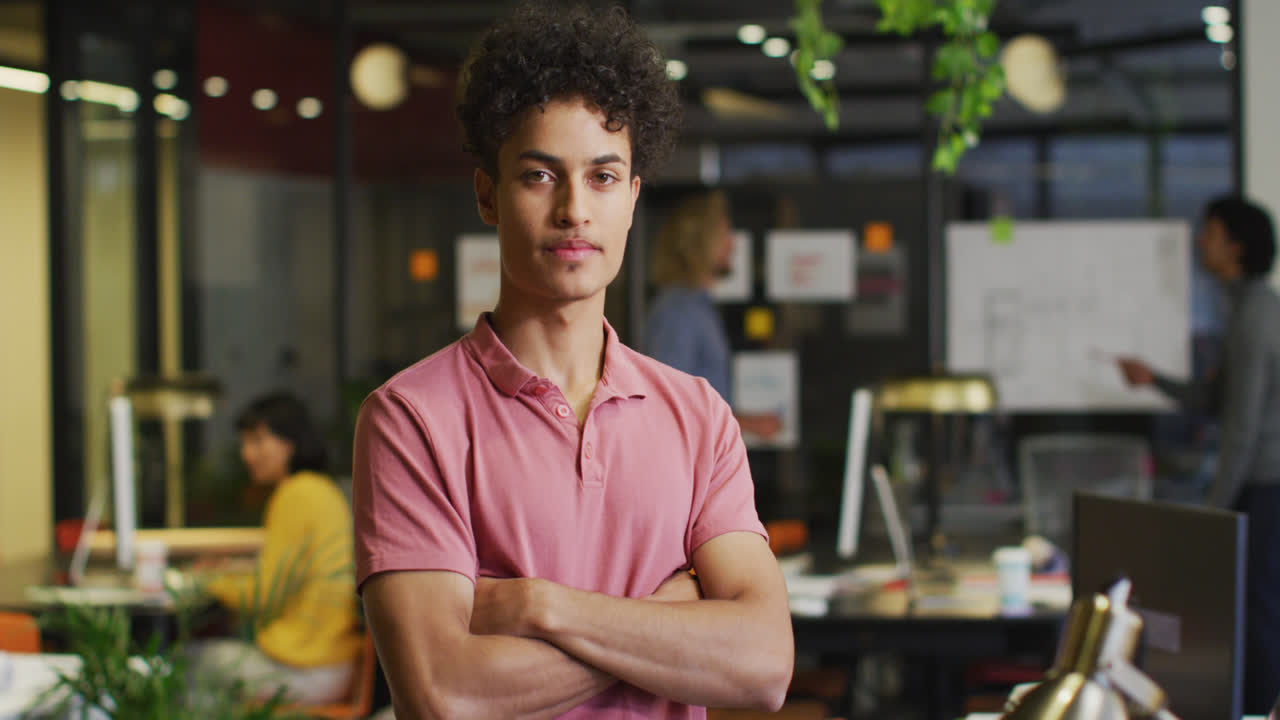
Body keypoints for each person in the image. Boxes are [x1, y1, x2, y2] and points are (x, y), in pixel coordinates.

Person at [351, 3, 794, 719]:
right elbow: (443, 694)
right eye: (538, 175)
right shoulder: (411, 418)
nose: (574, 211)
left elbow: (765, 664)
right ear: (487, 195)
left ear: (632, 199)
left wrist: (539, 606)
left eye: (603, 177)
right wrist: (669, 620)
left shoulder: (698, 415)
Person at [1116, 194, 1280, 713]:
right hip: (1259, 484)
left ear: (1235, 245)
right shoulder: (1244, 308)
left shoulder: (1256, 315)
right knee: (1255, 613)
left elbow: (1242, 427)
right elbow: (1217, 400)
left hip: (1269, 487)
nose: (1199, 242)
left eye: (1208, 232)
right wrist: (1155, 381)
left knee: (1259, 616)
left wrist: (1216, 509)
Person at [194, 392, 363, 704]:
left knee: (190, 663)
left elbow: (266, 595)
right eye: (245, 442)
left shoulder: (294, 495)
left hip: (304, 671)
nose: (247, 454)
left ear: (290, 442)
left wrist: (205, 581)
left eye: (258, 441)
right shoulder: (319, 490)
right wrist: (228, 572)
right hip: (332, 663)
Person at [645, 190, 782, 439]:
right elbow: (673, 406)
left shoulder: (699, 307)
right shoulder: (678, 311)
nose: (733, 243)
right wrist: (748, 423)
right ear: (701, 241)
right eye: (724, 233)